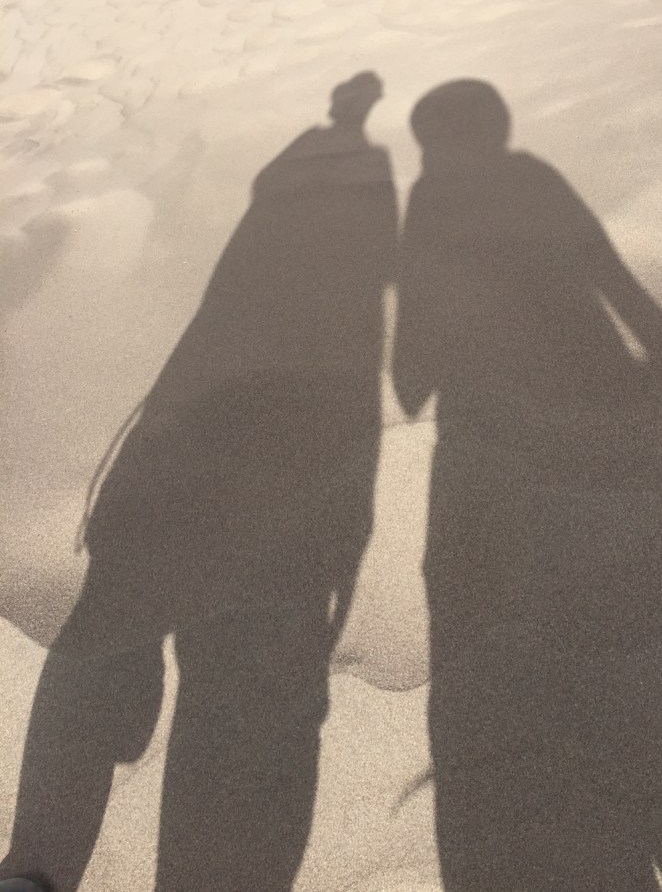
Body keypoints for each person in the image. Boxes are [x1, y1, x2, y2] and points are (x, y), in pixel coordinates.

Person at [393, 79, 662, 890]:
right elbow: (605, 270)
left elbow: (410, 370)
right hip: (611, 421)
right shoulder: (530, 177)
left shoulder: (432, 204)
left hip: (493, 457)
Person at [1, 73, 398, 890]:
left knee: (112, 638)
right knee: (243, 697)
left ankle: (33, 874)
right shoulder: (340, 306)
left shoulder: (243, 283)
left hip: (175, 479)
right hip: (273, 503)